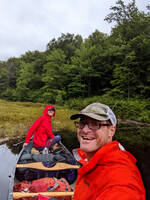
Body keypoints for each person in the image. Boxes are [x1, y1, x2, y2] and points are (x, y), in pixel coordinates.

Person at [70, 102, 145, 200]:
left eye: (95, 124)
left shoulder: (120, 179)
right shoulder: (89, 160)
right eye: (82, 123)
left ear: (111, 130)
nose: (84, 130)